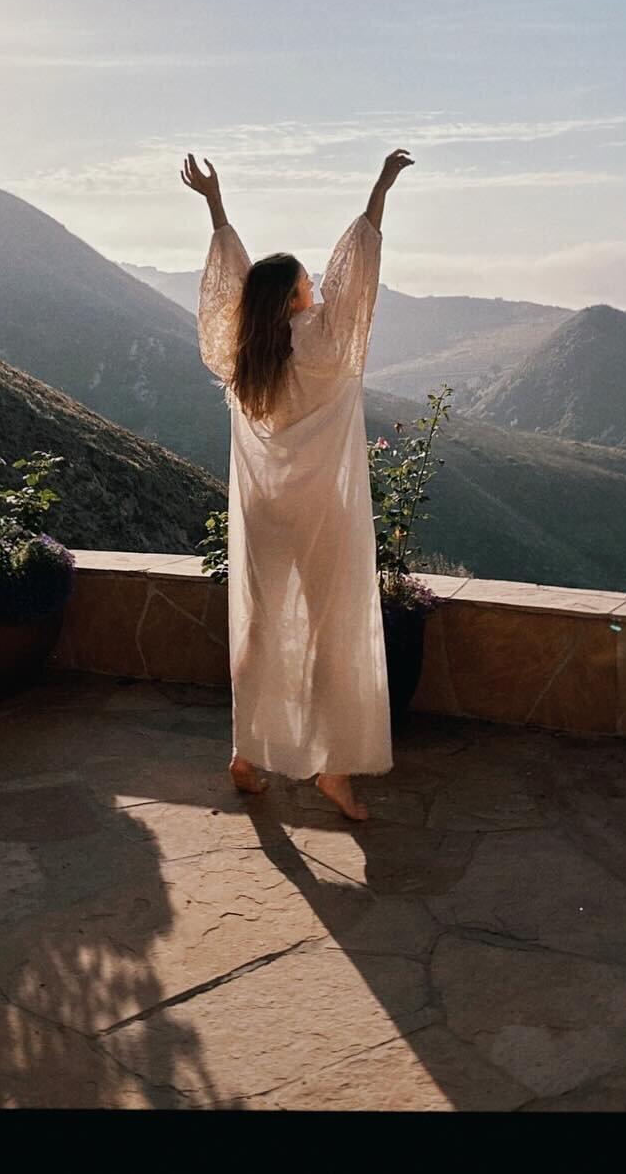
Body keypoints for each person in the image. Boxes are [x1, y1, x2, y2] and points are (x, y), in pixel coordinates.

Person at [182, 146, 414, 822]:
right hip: (320, 512)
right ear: (293, 299)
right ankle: (333, 768)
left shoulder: (246, 353)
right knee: (332, 630)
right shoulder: (323, 342)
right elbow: (357, 270)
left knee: (260, 626)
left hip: (264, 510)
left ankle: (246, 753)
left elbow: (235, 283)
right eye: (308, 283)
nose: (318, 288)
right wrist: (379, 189)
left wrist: (215, 206)